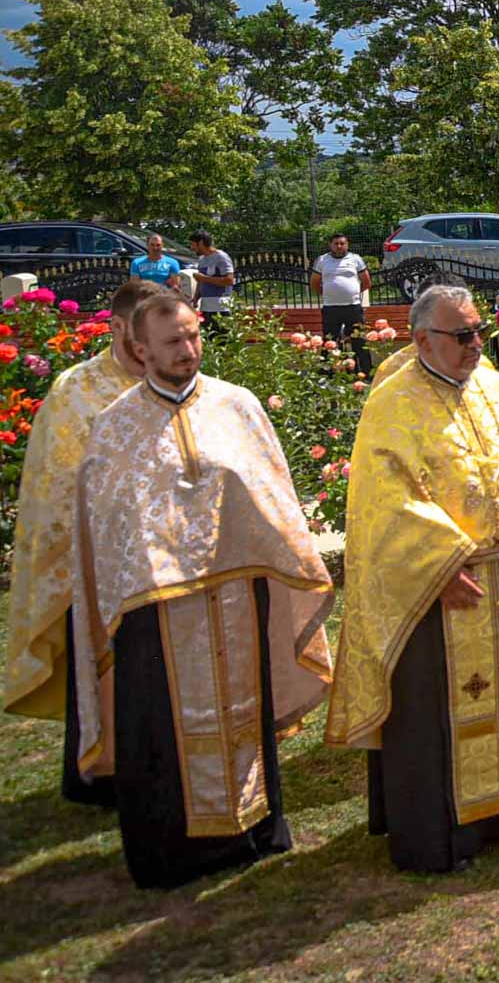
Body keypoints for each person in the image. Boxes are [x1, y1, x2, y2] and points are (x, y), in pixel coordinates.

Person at [70, 293, 334, 887]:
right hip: (157, 610)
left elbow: (271, 493)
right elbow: (107, 527)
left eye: (193, 336)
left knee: (245, 710)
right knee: (163, 727)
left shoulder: (236, 407)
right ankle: (174, 853)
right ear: (139, 349)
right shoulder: (115, 427)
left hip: (238, 593)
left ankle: (257, 829)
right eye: (172, 342)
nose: (188, 350)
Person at [327, 285, 499, 872]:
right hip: (440, 585)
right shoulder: (394, 403)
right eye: (461, 335)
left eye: (478, 331)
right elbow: (386, 502)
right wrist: (437, 566)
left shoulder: (496, 387)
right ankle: (445, 832)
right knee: (436, 714)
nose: (475, 344)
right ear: (421, 340)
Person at [3, 279, 168, 804]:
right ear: (118, 328)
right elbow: (58, 487)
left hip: (168, 562)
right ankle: (101, 773)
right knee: (105, 672)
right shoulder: (76, 392)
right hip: (98, 565)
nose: (147, 349)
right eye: (138, 337)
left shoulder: (176, 380)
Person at [310, 233, 372, 373]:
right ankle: (326, 373)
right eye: (336, 243)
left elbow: (367, 282)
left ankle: (365, 372)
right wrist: (328, 294)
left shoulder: (356, 259)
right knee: (329, 341)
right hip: (331, 308)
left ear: (347, 244)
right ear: (330, 245)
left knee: (359, 341)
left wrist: (353, 293)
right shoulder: (322, 260)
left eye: (342, 243)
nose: (339, 246)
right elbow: (314, 283)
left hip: (353, 308)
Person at [189, 230, 235, 329]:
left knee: (222, 341)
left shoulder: (221, 257)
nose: (192, 248)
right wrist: (196, 298)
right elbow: (201, 281)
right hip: (205, 308)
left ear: (200, 243)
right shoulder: (202, 260)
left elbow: (229, 280)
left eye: (193, 244)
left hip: (221, 308)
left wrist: (204, 278)